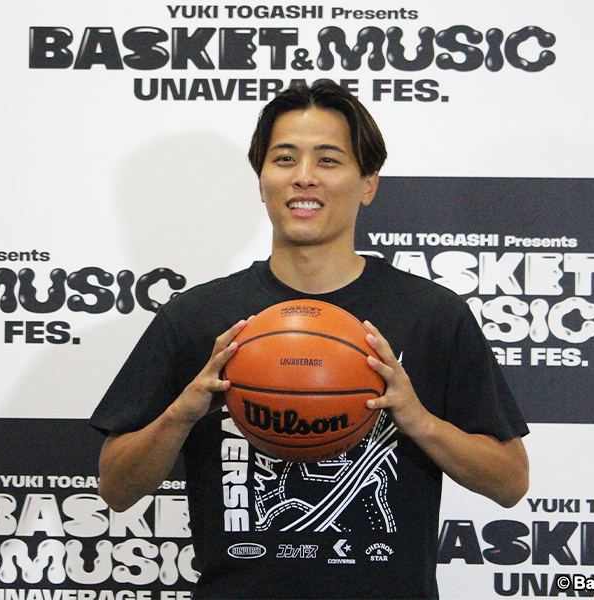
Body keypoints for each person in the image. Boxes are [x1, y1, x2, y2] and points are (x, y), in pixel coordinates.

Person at [90, 79, 529, 599]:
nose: (303, 176)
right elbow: (115, 489)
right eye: (284, 159)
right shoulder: (196, 317)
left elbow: (510, 483)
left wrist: (419, 421)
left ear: (368, 183)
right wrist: (181, 414)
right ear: (261, 181)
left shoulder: (433, 314)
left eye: (328, 160)